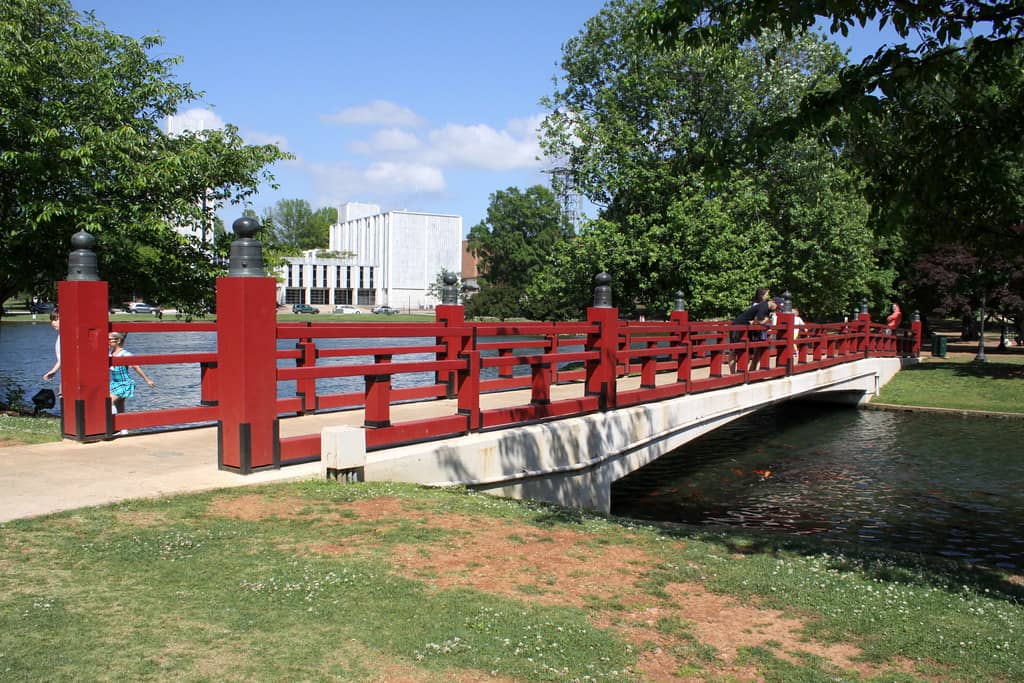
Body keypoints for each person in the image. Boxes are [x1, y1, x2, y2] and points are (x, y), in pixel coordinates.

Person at [108, 331, 155, 416]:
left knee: (109, 400)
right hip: (115, 383)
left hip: (125, 383)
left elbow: (136, 367)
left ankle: (112, 424)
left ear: (118, 341)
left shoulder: (125, 354)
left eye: (110, 340)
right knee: (120, 406)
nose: (108, 341)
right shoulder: (110, 354)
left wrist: (147, 380)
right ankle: (123, 427)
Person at [42, 311, 60, 382]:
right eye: (52, 320)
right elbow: (62, 359)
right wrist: (54, 371)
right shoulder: (60, 336)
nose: (53, 323)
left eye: (55, 320)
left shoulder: (66, 337)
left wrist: (53, 371)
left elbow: (63, 358)